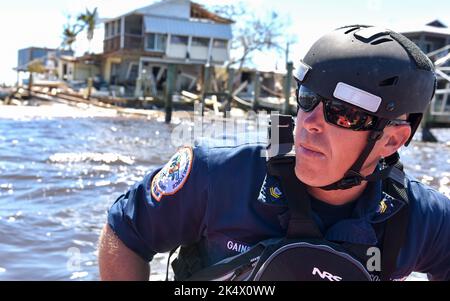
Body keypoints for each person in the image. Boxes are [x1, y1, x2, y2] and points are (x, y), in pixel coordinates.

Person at [98, 25, 450, 281]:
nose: (308, 122)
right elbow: (126, 232)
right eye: (307, 98)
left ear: (391, 140)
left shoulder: (421, 218)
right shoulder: (216, 175)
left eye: (344, 112)